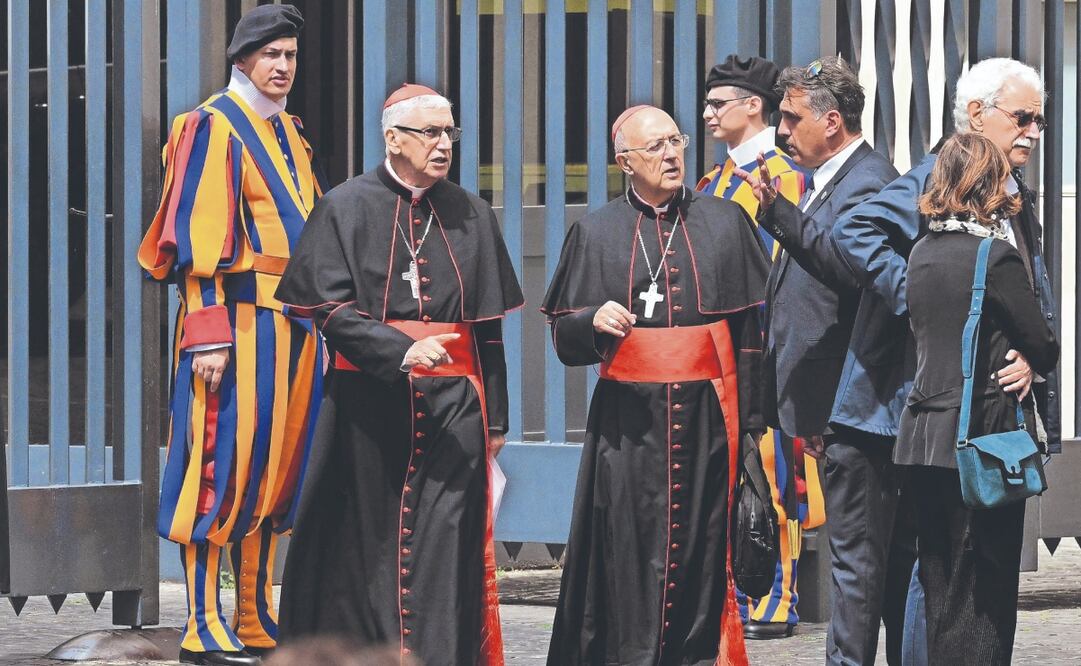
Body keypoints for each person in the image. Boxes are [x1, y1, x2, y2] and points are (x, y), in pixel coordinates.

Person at [274, 84, 524, 666]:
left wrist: (499, 420)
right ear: (394, 138)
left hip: (455, 410)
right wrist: (396, 350)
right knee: (366, 548)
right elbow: (327, 309)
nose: (444, 145)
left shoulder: (472, 213)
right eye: (431, 132)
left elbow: (487, 329)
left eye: (450, 133)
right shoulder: (345, 206)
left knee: (444, 548)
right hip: (367, 406)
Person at [543, 105, 770, 666]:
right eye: (655, 148)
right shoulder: (594, 231)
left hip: (708, 421)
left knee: (701, 545)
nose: (671, 155)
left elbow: (751, 335)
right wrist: (590, 321)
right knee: (626, 548)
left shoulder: (723, 220)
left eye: (676, 141)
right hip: (628, 425)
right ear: (625, 162)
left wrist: (752, 425)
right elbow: (563, 339)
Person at [138, 5, 322, 665]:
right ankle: (198, 623)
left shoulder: (289, 132)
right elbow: (195, 238)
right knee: (220, 466)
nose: (282, 67)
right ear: (242, 58)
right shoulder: (211, 127)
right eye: (271, 54)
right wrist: (207, 331)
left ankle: (250, 613)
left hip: (294, 325)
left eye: (291, 56)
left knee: (271, 476)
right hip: (237, 326)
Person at [735, 57, 912, 665]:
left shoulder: (866, 181)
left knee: (857, 558)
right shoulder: (825, 177)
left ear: (832, 121)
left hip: (855, 405)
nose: (782, 131)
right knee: (862, 555)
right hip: (829, 406)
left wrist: (779, 216)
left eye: (791, 117)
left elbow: (849, 270)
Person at [832, 57, 1058, 457]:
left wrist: (1026, 353)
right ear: (977, 114)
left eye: (1039, 122)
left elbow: (1022, 298)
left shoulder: (1016, 192)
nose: (1033, 132)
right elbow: (854, 230)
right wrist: (914, 295)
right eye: (1023, 118)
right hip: (934, 413)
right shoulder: (936, 177)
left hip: (992, 413)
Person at [899, 132, 1058, 663]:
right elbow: (1044, 344)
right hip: (983, 442)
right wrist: (1029, 358)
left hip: (923, 440)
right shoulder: (995, 257)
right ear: (990, 185)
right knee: (985, 591)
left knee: (942, 585)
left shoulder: (921, 252)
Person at [696, 53, 824, 640]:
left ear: (754, 106)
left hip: (773, 344)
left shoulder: (791, 178)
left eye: (718, 103)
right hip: (720, 349)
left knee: (776, 469)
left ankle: (776, 594)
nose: (707, 114)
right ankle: (734, 587)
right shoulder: (709, 183)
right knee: (731, 467)